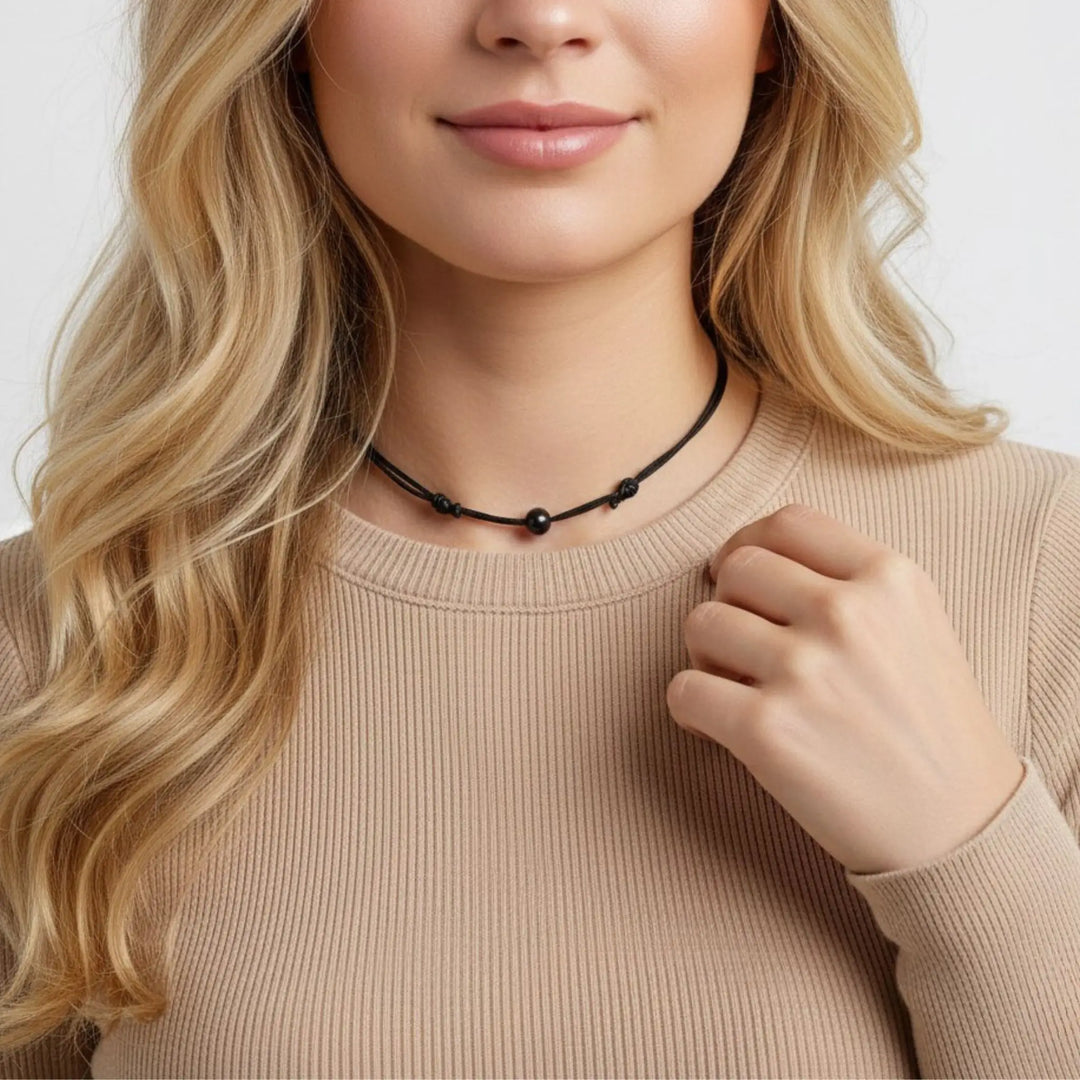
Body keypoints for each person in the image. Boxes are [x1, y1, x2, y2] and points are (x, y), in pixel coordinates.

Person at [2, 0, 1078, 1076]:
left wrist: (970, 859)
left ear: (774, 25)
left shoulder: (1044, 573)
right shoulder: (64, 650)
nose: (541, 19)